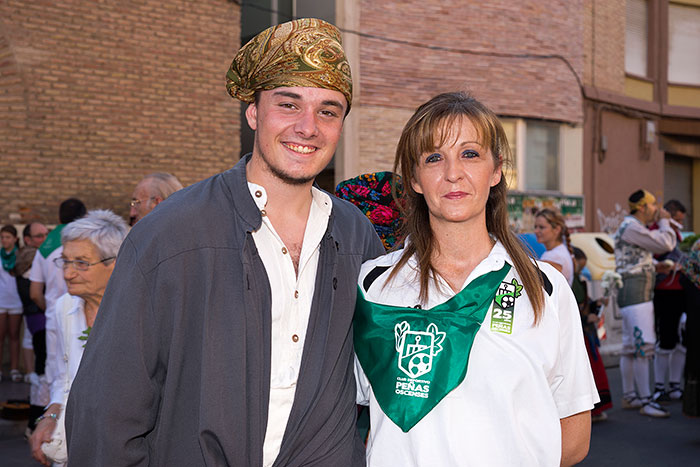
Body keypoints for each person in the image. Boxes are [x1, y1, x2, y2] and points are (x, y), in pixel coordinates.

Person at [66, 18, 384, 466]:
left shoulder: (356, 236)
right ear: (253, 113)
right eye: (288, 104)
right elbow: (108, 407)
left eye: (328, 111)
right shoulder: (172, 233)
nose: (308, 127)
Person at [354, 92, 597, 467]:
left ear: (496, 170)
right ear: (415, 178)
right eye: (434, 158)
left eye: (470, 154)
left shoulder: (545, 288)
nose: (453, 173)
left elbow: (575, 438)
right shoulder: (372, 286)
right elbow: (348, 419)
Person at [29, 210, 128, 466]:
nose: (67, 274)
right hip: (75, 442)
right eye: (65, 261)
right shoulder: (63, 307)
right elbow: (61, 375)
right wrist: (51, 415)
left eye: (82, 263)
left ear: (115, 263)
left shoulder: (136, 312)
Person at [613, 189, 676, 417]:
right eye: (652, 205)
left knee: (630, 347)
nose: (656, 209)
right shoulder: (632, 227)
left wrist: (654, 267)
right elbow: (665, 244)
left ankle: (631, 395)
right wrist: (665, 223)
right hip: (637, 293)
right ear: (642, 207)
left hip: (631, 291)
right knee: (643, 346)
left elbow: (633, 260)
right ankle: (647, 401)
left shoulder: (629, 227)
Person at [651, 199, 687, 403]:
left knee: (681, 342)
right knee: (664, 341)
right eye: (677, 220)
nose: (679, 224)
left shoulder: (676, 234)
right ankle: (659, 387)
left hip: (681, 291)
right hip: (664, 291)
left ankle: (674, 385)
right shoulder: (656, 232)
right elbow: (651, 256)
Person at [571, 247, 612, 422]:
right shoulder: (568, 281)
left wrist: (597, 304)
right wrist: (586, 317)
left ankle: (596, 410)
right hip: (581, 333)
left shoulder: (577, 280)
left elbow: (584, 304)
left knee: (593, 371)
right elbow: (570, 310)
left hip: (587, 333)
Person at [19, 222, 49, 381]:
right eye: (39, 236)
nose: (45, 239)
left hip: (37, 311)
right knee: (42, 360)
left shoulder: (39, 254)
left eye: (46, 234)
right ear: (27, 239)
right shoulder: (30, 257)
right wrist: (48, 308)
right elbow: (35, 294)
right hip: (37, 312)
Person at [0, 225, 23, 382]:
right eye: (2, 237)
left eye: (8, 237)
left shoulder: (20, 255)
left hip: (16, 300)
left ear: (15, 239)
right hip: (1, 300)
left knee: (14, 335)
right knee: (0, 336)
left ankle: (14, 369)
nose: (4, 240)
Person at [534, 208, 574, 285]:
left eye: (541, 227)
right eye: (535, 227)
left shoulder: (555, 256)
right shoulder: (558, 251)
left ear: (557, 229)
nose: (536, 231)